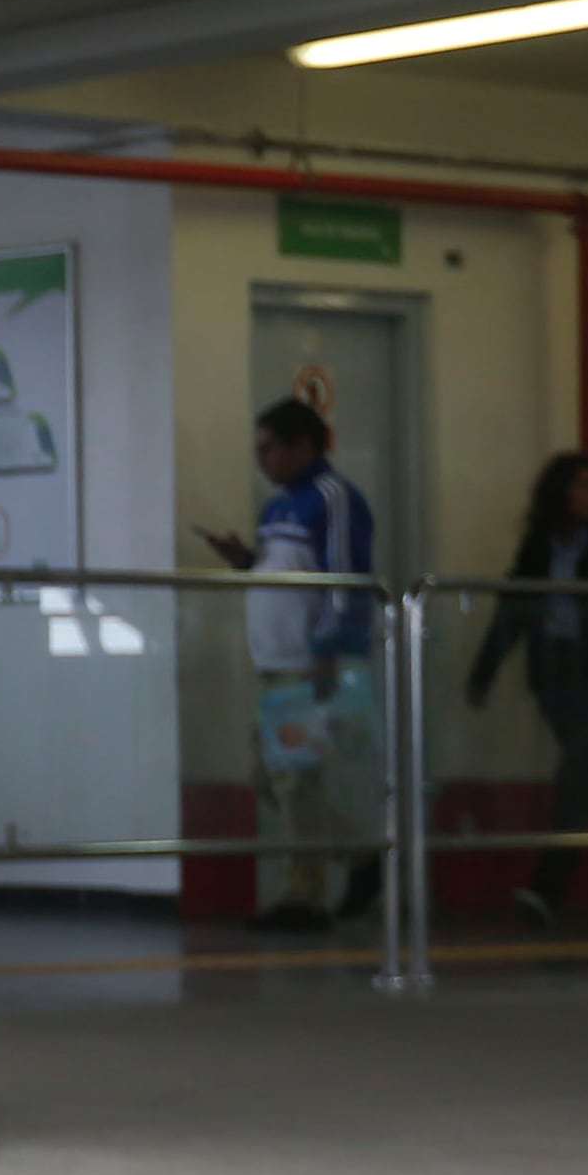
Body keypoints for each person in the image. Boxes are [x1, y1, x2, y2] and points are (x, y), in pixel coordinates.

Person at [202, 397, 383, 933]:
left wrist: (328, 650)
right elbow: (285, 572)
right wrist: (244, 562)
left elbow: (345, 578)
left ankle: (302, 897)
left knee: (295, 781)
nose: (262, 460)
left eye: (269, 449)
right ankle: (359, 855)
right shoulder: (277, 507)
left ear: (303, 445)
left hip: (308, 661)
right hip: (273, 660)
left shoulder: (333, 498)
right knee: (267, 779)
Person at [465, 451, 588, 927]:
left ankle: (548, 884)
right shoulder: (540, 545)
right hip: (558, 675)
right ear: (559, 493)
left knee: (578, 772)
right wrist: (483, 672)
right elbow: (514, 609)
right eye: (582, 485)